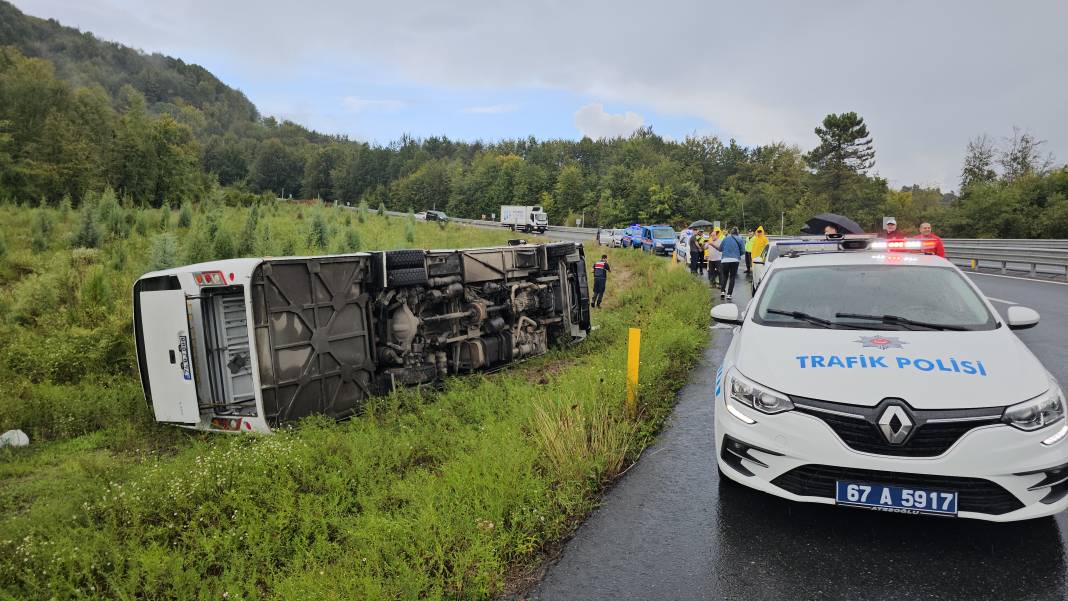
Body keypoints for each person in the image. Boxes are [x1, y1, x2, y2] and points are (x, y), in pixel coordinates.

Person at [714, 227, 746, 300]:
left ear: (731, 232)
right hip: (735, 260)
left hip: (725, 260)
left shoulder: (725, 238)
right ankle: (729, 294)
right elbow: (743, 251)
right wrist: (737, 254)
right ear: (737, 233)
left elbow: (720, 249)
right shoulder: (740, 239)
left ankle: (722, 292)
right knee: (732, 277)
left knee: (725, 276)